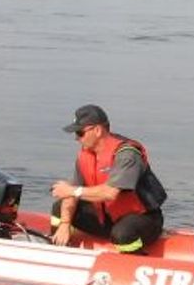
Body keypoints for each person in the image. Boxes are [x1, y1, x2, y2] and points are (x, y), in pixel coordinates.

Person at [51, 104, 166, 253]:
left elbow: (110, 193)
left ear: (97, 130)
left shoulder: (127, 154)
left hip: (143, 218)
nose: (76, 139)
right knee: (58, 207)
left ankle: (134, 261)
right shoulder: (85, 155)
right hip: (107, 218)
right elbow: (70, 192)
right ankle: (57, 249)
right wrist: (65, 224)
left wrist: (73, 191)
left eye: (80, 133)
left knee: (123, 234)